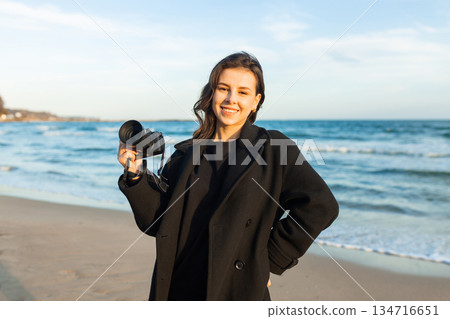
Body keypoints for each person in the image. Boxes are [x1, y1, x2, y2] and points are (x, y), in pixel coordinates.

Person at [117, 52, 339, 301]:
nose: (231, 99)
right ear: (212, 93)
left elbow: (320, 206)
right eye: (224, 89)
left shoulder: (275, 147)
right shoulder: (185, 153)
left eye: (243, 92)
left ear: (256, 101)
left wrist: (268, 260)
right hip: (178, 285)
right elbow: (158, 223)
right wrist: (135, 174)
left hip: (235, 289)